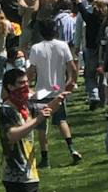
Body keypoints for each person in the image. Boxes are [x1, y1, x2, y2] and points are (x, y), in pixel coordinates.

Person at [28, 18, 82, 166]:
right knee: (61, 121)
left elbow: (31, 72)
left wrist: (28, 83)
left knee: (41, 126)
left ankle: (45, 158)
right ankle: (71, 149)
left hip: (41, 92)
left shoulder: (36, 48)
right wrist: (71, 82)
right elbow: (73, 68)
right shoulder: (63, 46)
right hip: (58, 90)